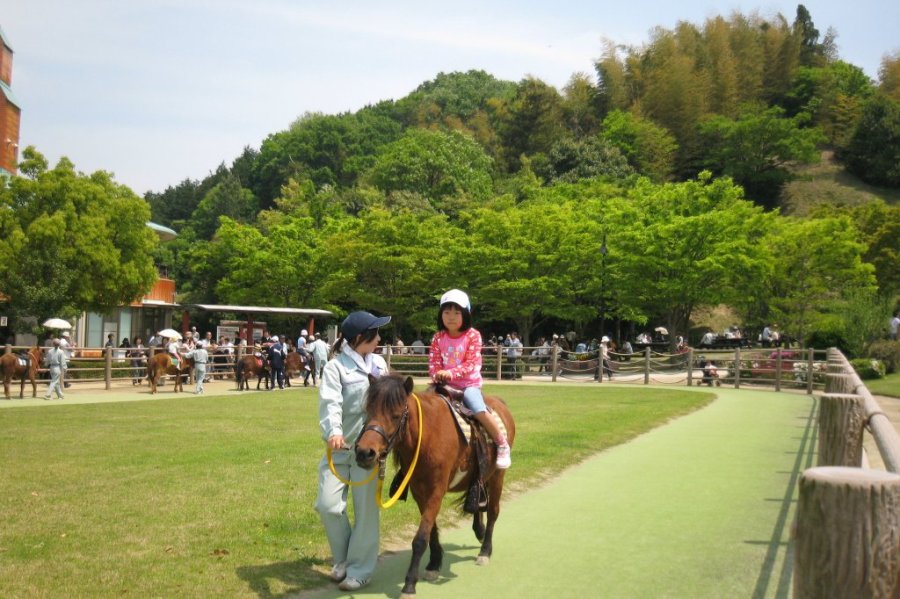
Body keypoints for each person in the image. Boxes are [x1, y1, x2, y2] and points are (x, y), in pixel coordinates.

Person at [316, 310, 391, 592]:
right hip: (339, 450)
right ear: (361, 337)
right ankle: (345, 559)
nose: (380, 338)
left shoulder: (380, 365)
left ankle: (360, 569)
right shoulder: (335, 368)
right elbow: (330, 403)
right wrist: (333, 432)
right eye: (376, 333)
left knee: (366, 513)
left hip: (368, 454)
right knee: (328, 505)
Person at [429, 289, 511, 469]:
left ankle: (501, 442)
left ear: (465, 314)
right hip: (443, 385)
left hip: (467, 385)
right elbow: (434, 363)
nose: (451, 317)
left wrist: (451, 373)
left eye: (457, 312)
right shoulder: (438, 337)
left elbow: (471, 364)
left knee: (476, 406)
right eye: (447, 312)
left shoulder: (473, 335)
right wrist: (437, 374)